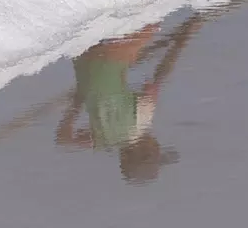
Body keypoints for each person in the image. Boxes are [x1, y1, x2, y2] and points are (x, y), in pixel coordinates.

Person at [54, 23, 182, 184]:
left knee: (154, 25)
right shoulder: (104, 140)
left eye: (158, 151)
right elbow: (63, 139)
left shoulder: (142, 121)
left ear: (151, 149)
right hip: (82, 57)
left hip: (111, 53)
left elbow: (154, 83)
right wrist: (78, 100)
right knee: (121, 68)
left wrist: (178, 44)